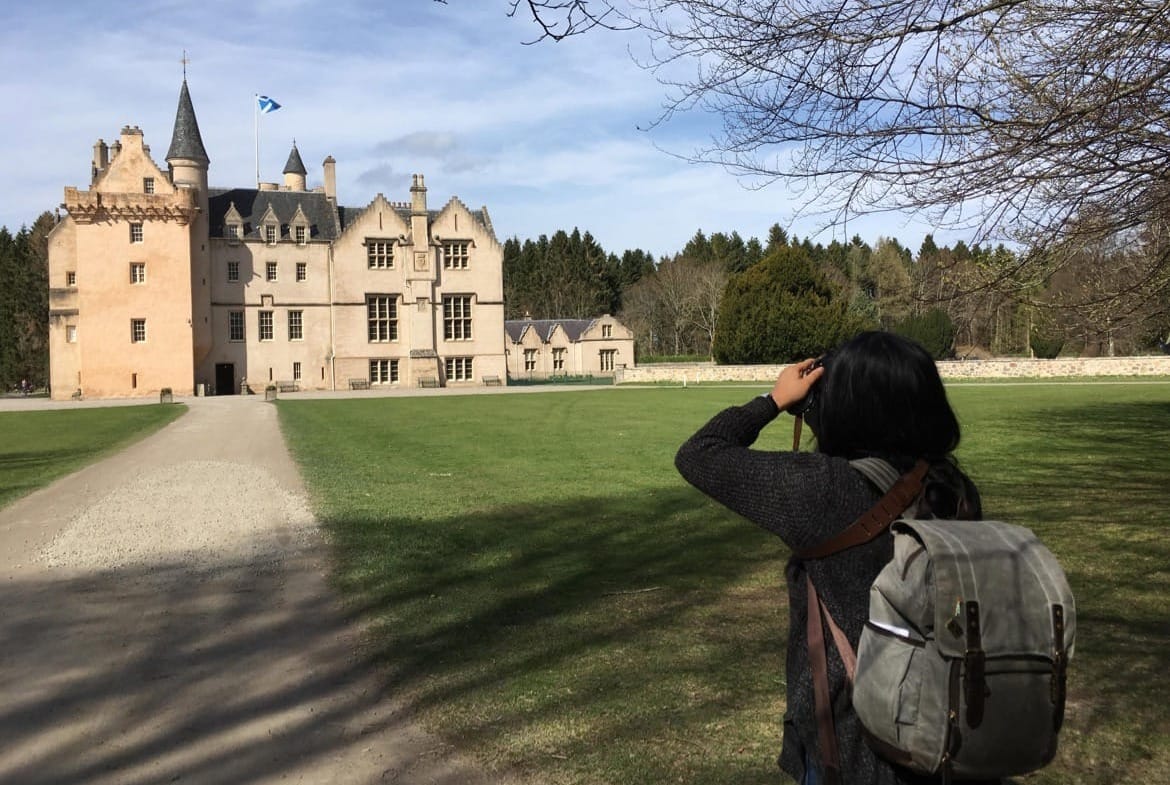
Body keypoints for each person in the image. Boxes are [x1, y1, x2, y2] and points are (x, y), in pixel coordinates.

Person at [674, 331, 982, 785]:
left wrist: (774, 400)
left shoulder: (825, 489)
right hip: (950, 729)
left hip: (856, 748)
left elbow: (699, 454)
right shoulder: (951, 488)